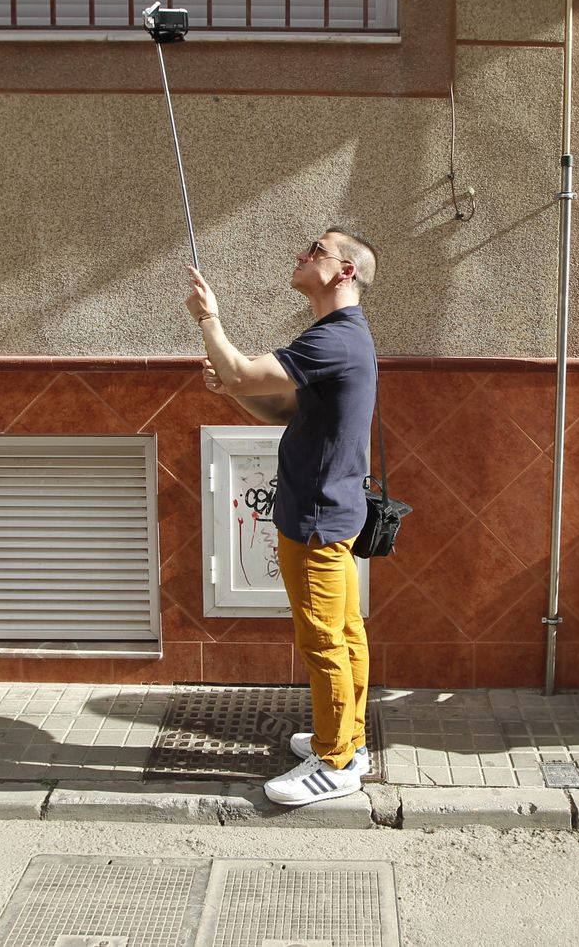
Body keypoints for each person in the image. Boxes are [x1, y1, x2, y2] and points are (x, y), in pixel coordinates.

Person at [186, 224, 380, 807]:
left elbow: (246, 370)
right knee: (345, 633)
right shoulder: (341, 338)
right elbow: (277, 407)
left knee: (323, 640)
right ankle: (350, 740)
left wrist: (209, 321)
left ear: (345, 271)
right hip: (330, 512)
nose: (302, 254)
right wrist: (230, 392)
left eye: (317, 250)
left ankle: (335, 760)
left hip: (317, 518)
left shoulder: (336, 339)